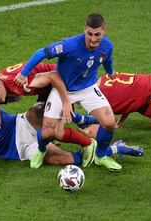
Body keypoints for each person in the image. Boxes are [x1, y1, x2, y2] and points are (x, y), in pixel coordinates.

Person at [13, 13, 121, 171]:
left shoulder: (107, 46)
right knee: (48, 132)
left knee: (109, 123)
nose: (93, 39)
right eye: (89, 34)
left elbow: (106, 58)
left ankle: (101, 155)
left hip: (88, 88)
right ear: (85, 30)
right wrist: (23, 73)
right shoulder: (70, 45)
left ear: (104, 31)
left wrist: (110, 71)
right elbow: (41, 53)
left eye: (97, 34)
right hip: (63, 88)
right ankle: (41, 151)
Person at [0, 89, 142, 163]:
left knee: (39, 108)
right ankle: (114, 149)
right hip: (20, 150)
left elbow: (1, 95)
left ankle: (85, 119)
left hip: (21, 124)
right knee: (64, 158)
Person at [0, 62, 97, 168]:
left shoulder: (20, 82)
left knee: (56, 131)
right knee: (45, 124)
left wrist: (66, 102)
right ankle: (83, 122)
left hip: (61, 82)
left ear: (0, 84)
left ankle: (89, 143)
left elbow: (54, 76)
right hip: (47, 87)